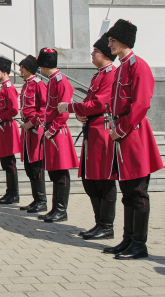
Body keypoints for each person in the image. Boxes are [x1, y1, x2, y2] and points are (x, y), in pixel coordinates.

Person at [103, 19, 164, 260]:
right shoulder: (121, 67)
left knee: (138, 192)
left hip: (134, 134)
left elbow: (141, 104)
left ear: (124, 40)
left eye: (113, 40)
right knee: (127, 191)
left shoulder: (139, 66)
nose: (109, 44)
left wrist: (122, 128)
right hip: (122, 133)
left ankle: (140, 244)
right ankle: (128, 239)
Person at [58, 35, 117, 240]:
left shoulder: (110, 74)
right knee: (91, 180)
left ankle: (106, 225)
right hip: (93, 130)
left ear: (106, 55)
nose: (92, 54)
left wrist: (73, 108)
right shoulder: (98, 75)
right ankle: (99, 221)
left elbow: (100, 104)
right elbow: (91, 102)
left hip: (102, 130)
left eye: (96, 52)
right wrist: (83, 113)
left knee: (103, 179)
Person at [36, 48, 79, 223]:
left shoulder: (60, 81)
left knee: (60, 172)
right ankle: (55, 208)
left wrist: (52, 129)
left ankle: (61, 209)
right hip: (51, 131)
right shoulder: (52, 80)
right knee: (54, 173)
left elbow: (64, 111)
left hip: (57, 132)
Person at [17, 55, 48, 214]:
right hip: (27, 129)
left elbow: (44, 108)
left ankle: (42, 201)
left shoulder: (38, 85)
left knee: (37, 166)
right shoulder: (25, 85)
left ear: (28, 68)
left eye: (22, 67)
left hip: (35, 129)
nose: (20, 69)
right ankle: (36, 199)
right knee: (29, 166)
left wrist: (33, 122)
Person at [0, 57, 23, 202]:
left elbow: (14, 110)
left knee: (10, 162)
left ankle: (14, 193)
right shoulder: (5, 87)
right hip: (4, 128)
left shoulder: (9, 88)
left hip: (8, 127)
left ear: (4, 72)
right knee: (5, 161)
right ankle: (9, 191)